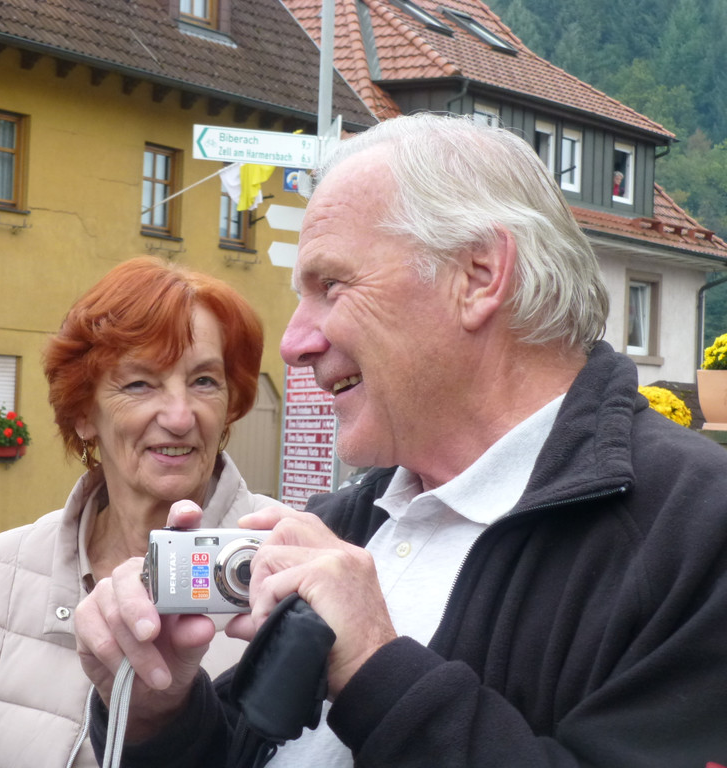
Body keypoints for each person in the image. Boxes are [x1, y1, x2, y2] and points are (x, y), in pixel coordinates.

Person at [74, 113, 727, 767]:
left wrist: (372, 666)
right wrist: (159, 714)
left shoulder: (698, 529)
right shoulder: (349, 522)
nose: (294, 343)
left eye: (331, 286)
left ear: (479, 276)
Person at [0, 256, 281, 768]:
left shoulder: (287, 564)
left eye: (204, 381)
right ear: (85, 414)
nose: (180, 416)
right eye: (140, 384)